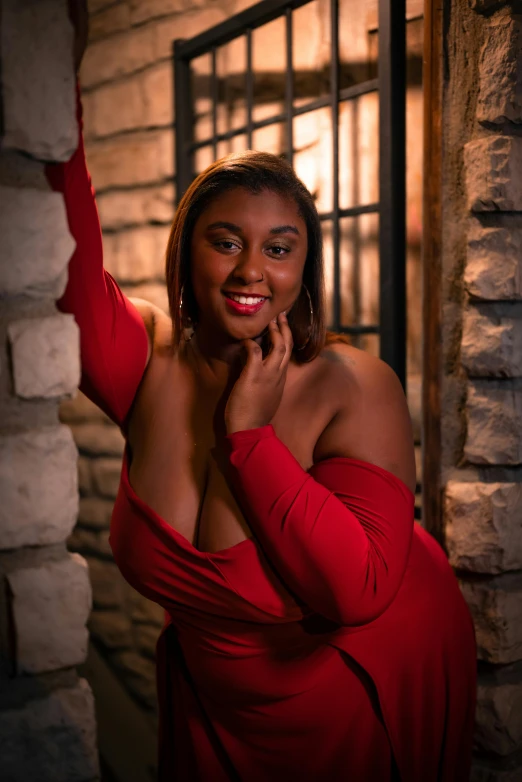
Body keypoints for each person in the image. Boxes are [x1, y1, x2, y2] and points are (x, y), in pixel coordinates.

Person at [46, 17, 477, 781]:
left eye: (279, 248)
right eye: (225, 241)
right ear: (187, 253)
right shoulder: (146, 359)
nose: (252, 270)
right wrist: (52, 84)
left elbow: (357, 591)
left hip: (349, 710)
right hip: (213, 716)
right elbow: (65, 275)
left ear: (302, 268)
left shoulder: (352, 384)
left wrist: (249, 440)